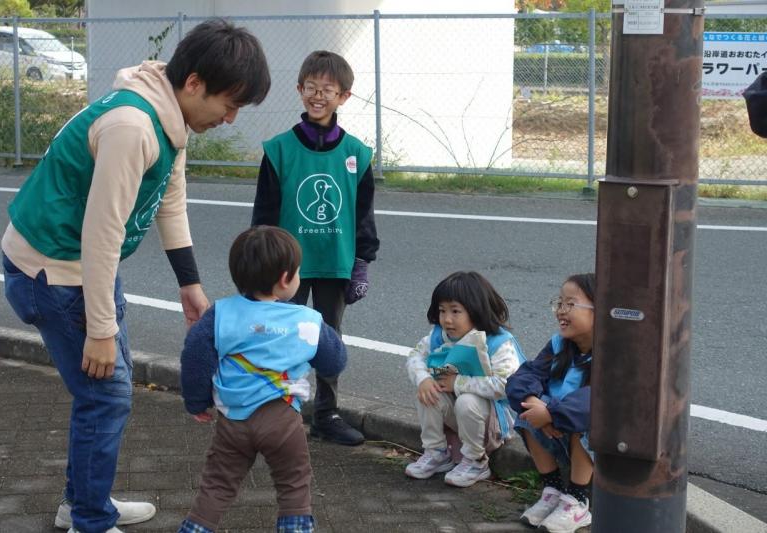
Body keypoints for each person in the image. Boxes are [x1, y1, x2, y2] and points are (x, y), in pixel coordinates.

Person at [0, 19, 270, 533]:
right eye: (230, 104)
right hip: (52, 271)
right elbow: (101, 234)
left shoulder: (171, 117)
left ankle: (83, 502)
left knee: (107, 389)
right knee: (105, 394)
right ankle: (88, 518)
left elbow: (170, 198)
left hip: (83, 268)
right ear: (194, 84)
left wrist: (189, 283)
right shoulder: (134, 127)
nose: (231, 118)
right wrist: (100, 329)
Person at [177, 226, 346, 533]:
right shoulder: (305, 320)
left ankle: (195, 529)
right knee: (293, 485)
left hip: (233, 421)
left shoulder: (220, 314)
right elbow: (335, 361)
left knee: (217, 485)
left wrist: (196, 402)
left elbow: (194, 358)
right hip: (283, 420)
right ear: (285, 278)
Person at [251, 50, 379, 446]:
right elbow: (264, 215)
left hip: (335, 263)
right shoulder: (279, 150)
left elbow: (363, 214)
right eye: (311, 88)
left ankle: (327, 414)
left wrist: (362, 261)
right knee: (281, 335)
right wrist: (260, 266)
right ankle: (278, 410)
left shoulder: (357, 153)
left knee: (329, 339)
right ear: (299, 89)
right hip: (286, 266)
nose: (318, 96)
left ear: (344, 96)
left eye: (328, 90)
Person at [404, 271, 526, 487]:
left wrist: (458, 383)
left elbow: (506, 385)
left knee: (467, 400)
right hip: (461, 421)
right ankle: (436, 452)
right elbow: (415, 356)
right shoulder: (439, 336)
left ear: (476, 310)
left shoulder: (497, 342)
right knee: (428, 392)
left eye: (455, 311)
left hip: (493, 425)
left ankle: (476, 461)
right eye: (442, 310)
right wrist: (423, 379)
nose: (447, 319)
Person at [506, 273, 595, 533]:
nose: (560, 311)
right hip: (557, 429)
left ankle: (578, 499)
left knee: (589, 420)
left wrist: (551, 413)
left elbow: (595, 398)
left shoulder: (613, 353)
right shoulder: (559, 345)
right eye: (559, 303)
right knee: (527, 408)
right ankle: (552, 489)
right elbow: (525, 376)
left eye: (570, 304)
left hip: (594, 445)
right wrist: (535, 403)